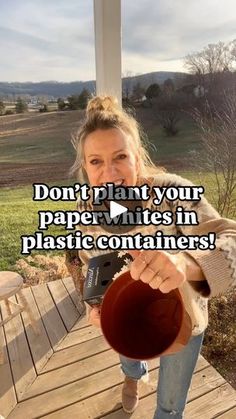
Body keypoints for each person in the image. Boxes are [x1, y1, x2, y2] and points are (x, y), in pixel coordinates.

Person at [69, 95, 236, 418]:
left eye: (120, 156)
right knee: (129, 359)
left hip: (182, 320)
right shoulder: (86, 209)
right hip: (127, 317)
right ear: (85, 168)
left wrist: (187, 264)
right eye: (96, 161)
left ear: (137, 159)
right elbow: (91, 260)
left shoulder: (172, 195)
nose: (109, 172)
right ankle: (132, 379)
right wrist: (95, 302)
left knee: (171, 406)